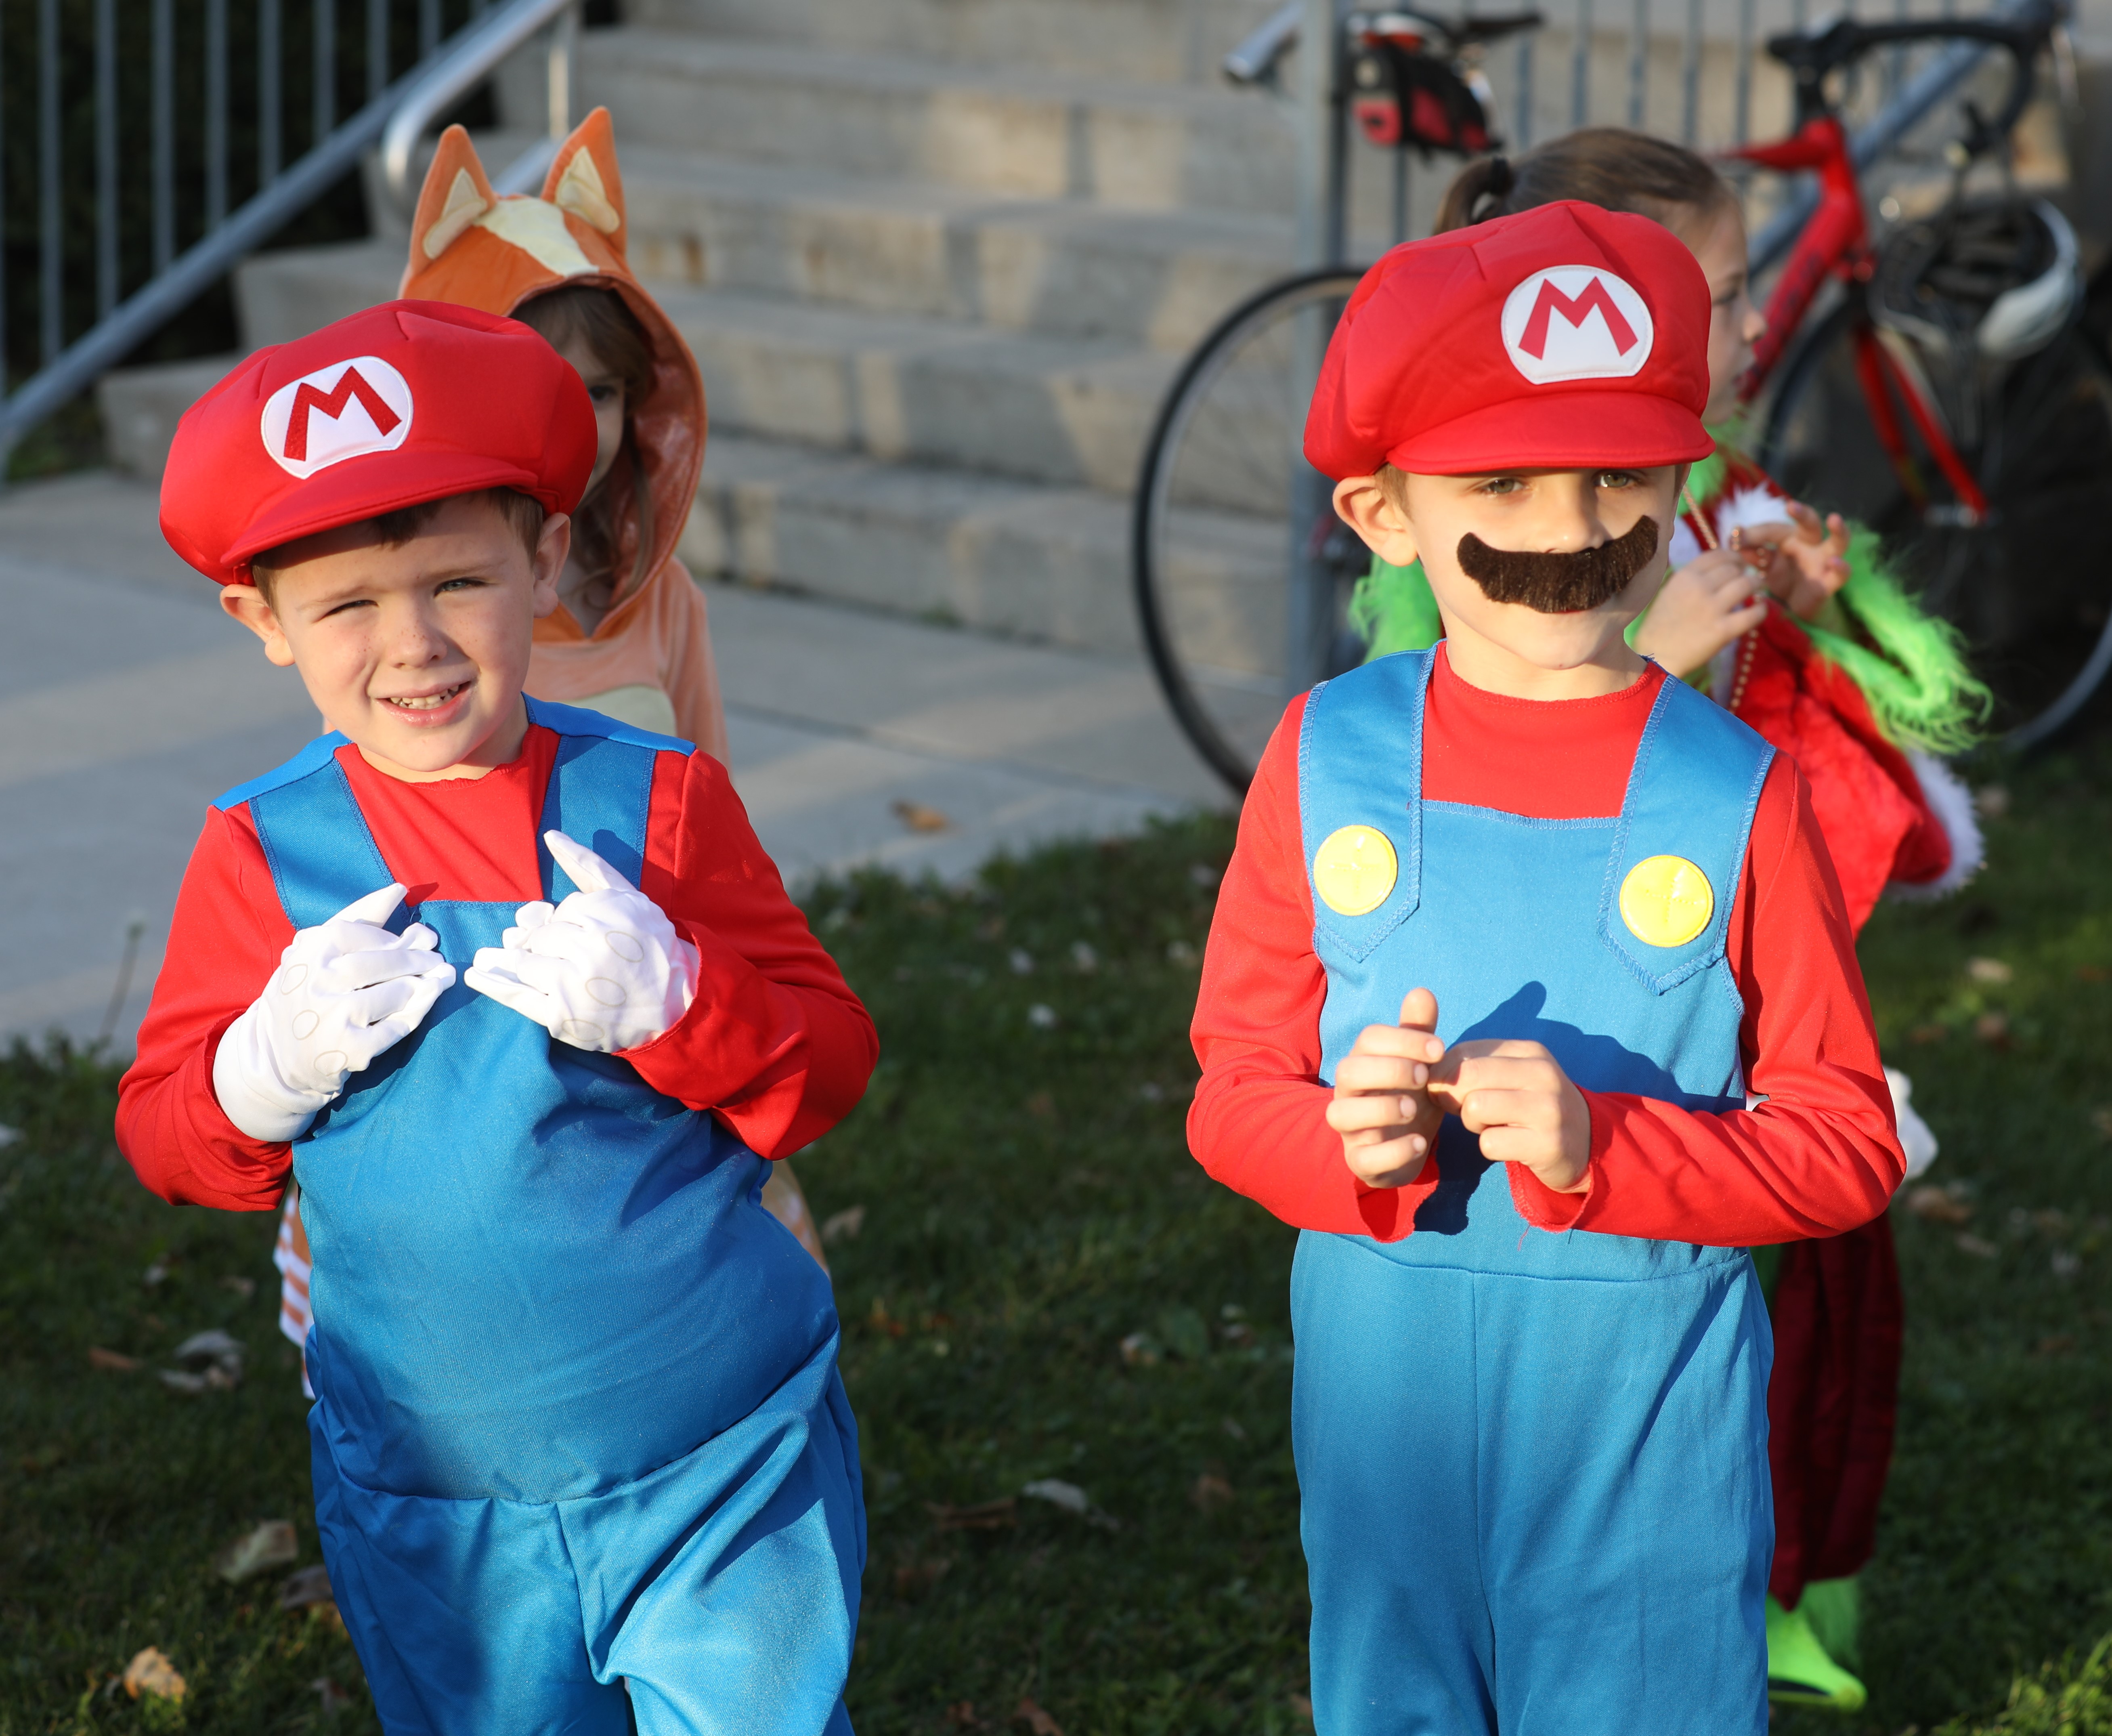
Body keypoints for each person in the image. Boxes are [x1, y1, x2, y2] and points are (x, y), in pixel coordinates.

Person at [1188, 199, 1905, 1733]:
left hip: (1645, 1453)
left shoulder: (1736, 794)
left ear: (1681, 476)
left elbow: (1846, 1144)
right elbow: (1232, 1084)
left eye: (1617, 476)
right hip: (1386, 1446)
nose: (1571, 529)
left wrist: (1614, 1145)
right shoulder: (1324, 759)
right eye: (1502, 481)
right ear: (1383, 514)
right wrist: (1340, 1141)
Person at [118, 301, 873, 1734]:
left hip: (715, 1449)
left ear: (542, 555)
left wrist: (686, 1003)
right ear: (263, 621)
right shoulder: (262, 855)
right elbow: (167, 1139)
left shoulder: (657, 799)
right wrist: (258, 1069)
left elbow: (828, 1064)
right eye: (346, 603)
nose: (413, 645)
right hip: (441, 1490)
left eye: (457, 581)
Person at [1350, 128, 1986, 1709]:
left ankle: (1767, 1572)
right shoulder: (1385, 696)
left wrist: (1827, 619)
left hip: (1741, 1055)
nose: (1749, 325)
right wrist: (1676, 645)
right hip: (1501, 1209)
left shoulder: (1732, 520)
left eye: (1742, 289)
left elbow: (1904, 815)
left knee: (1779, 1331)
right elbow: (1498, 747)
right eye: (1712, 291)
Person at [271, 112, 828, 1384]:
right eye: (519, 376)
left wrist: (719, 981)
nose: (566, 421)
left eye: (600, 391)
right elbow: (354, 819)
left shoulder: (660, 603)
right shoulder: (409, 634)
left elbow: (715, 811)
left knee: (675, 1326)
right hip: (455, 1058)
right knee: (428, 1357)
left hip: (640, 1037)